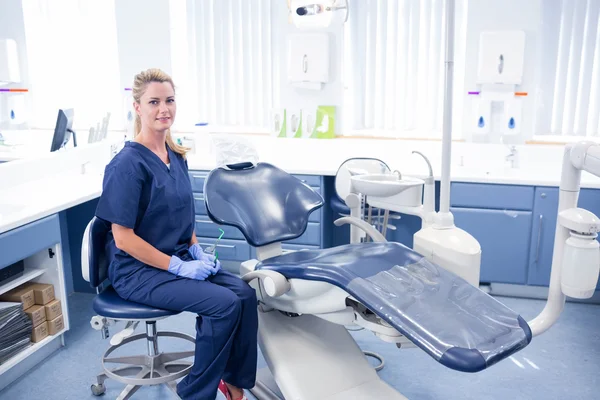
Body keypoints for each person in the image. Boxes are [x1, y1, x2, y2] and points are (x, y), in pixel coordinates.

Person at [95, 68, 257, 400]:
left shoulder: (176, 155)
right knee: (224, 305)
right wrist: (177, 266)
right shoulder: (126, 165)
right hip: (137, 271)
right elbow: (123, 238)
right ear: (137, 107)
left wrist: (195, 250)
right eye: (153, 102)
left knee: (244, 294)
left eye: (169, 100)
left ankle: (232, 379)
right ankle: (196, 393)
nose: (163, 109)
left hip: (178, 257)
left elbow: (182, 215)